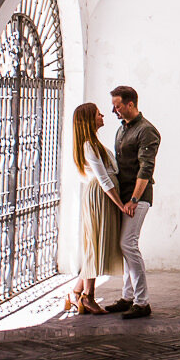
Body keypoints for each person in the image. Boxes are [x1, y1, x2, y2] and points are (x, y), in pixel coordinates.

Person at [103, 85, 161, 319]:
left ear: (131, 104)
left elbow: (146, 168)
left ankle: (142, 302)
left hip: (137, 198)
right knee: (125, 246)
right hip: (125, 197)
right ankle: (128, 297)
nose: (113, 110)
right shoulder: (122, 129)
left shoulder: (147, 131)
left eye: (117, 106)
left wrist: (134, 199)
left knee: (129, 244)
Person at [65, 102, 125, 315]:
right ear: (89, 120)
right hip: (101, 197)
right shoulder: (89, 145)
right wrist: (120, 204)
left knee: (96, 244)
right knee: (94, 245)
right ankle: (87, 297)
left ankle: (76, 293)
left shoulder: (93, 143)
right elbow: (103, 180)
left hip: (102, 197)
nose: (102, 115)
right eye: (97, 113)